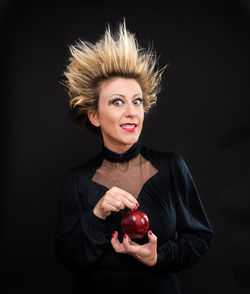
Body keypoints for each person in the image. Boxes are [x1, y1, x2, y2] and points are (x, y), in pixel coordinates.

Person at [55, 20, 214, 294]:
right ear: (94, 115)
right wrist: (98, 212)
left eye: (137, 101)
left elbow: (200, 238)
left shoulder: (170, 167)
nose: (131, 111)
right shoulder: (77, 179)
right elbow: (69, 258)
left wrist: (157, 257)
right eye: (118, 101)